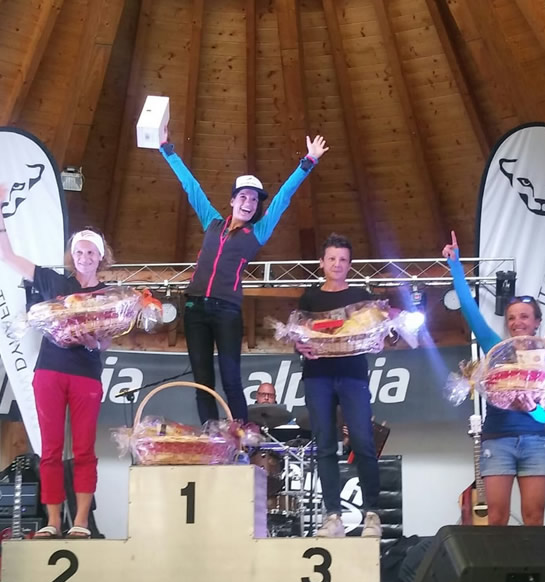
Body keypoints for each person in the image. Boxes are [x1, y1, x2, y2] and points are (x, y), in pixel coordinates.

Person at [157, 126, 328, 424]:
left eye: (254, 200)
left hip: (227, 312)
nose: (249, 204)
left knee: (232, 379)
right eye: (244, 197)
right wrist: (166, 149)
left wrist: (308, 162)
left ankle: (240, 438)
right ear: (233, 200)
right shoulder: (212, 222)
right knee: (202, 381)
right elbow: (191, 186)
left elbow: (283, 197)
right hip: (195, 309)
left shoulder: (258, 232)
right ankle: (211, 434)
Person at [0, 185, 113, 539]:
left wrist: (92, 341)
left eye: (91, 252)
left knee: (85, 450)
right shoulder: (52, 280)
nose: (84, 257)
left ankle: (81, 522)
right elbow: (6, 255)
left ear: (100, 257)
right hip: (50, 373)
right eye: (79, 251)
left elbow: (105, 341)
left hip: (86, 376)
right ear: (72, 255)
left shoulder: (108, 295)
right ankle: (53, 521)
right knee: (50, 450)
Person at [443, 232, 545, 527]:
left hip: (535, 441)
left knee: (534, 519)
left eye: (524, 317)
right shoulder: (495, 348)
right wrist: (455, 265)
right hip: (497, 440)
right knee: (496, 520)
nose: (517, 322)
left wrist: (532, 407)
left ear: (537, 321)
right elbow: (469, 310)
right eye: (512, 318)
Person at [297, 233, 381, 538]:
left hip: (353, 375)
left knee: (363, 441)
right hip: (317, 376)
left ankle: (372, 514)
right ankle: (332, 516)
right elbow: (299, 335)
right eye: (331, 258)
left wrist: (379, 338)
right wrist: (299, 346)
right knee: (324, 445)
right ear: (321, 262)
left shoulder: (361, 295)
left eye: (343, 259)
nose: (337, 264)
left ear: (350, 264)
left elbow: (376, 332)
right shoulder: (309, 298)